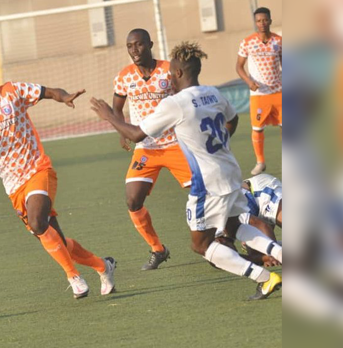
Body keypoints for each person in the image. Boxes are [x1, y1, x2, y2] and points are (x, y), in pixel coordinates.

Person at [91, 42, 283, 300]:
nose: (168, 75)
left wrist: (110, 116)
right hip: (230, 170)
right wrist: (219, 143)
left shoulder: (176, 103)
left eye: (171, 72)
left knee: (201, 245)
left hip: (208, 181)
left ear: (179, 73)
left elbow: (136, 134)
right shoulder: (213, 93)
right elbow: (233, 119)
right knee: (234, 226)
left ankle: (264, 278)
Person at [0, 59, 116, 299]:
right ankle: (103, 266)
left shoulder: (11, 92)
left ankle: (74, 277)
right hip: (13, 187)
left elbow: (48, 92)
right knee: (57, 241)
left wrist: (63, 97)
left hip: (37, 170)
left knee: (37, 222)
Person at [112, 29, 191, 270]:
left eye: (138, 45)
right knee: (132, 200)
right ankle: (158, 249)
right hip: (145, 147)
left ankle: (221, 238)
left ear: (150, 45)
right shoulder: (124, 77)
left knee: (204, 191)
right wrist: (123, 131)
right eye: (129, 46)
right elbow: (117, 108)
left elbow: (186, 98)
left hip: (176, 143)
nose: (134, 50)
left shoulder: (169, 70)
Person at [235, 7, 282, 175]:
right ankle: (260, 161)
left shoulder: (279, 41)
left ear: (270, 20)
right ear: (255, 23)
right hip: (259, 94)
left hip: (278, 91)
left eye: (265, 20)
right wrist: (248, 81)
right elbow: (239, 66)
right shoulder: (247, 42)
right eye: (258, 21)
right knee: (257, 127)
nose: (262, 23)